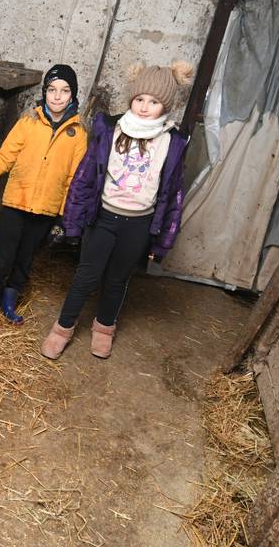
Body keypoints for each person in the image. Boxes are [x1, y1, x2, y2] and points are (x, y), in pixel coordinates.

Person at [40, 60, 194, 360]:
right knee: (86, 275)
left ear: (166, 106)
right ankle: (62, 328)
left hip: (138, 224)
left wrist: (163, 241)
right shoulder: (111, 130)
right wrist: (72, 221)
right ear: (131, 99)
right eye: (139, 99)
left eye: (154, 101)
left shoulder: (171, 142)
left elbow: (174, 195)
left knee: (117, 279)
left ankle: (104, 328)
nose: (144, 107)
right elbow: (85, 177)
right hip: (104, 218)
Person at [0, 64, 88, 326]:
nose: (57, 96)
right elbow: (4, 159)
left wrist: (64, 218)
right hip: (17, 202)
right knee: (3, 254)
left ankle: (9, 301)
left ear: (73, 95)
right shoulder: (28, 123)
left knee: (26, 257)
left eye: (64, 90)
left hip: (46, 210)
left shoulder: (78, 135)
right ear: (45, 92)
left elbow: (74, 181)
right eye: (52, 89)